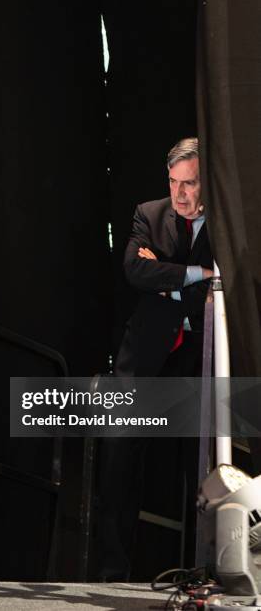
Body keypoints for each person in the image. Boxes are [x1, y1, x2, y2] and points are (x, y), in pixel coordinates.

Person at [98, 137, 213, 580]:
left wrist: (164, 281)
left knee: (202, 469)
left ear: (208, 183)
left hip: (196, 358)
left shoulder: (227, 223)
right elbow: (133, 270)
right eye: (174, 183)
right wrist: (199, 275)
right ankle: (113, 574)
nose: (181, 195)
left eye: (191, 184)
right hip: (144, 356)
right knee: (119, 458)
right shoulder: (149, 213)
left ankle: (205, 573)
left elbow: (227, 283)